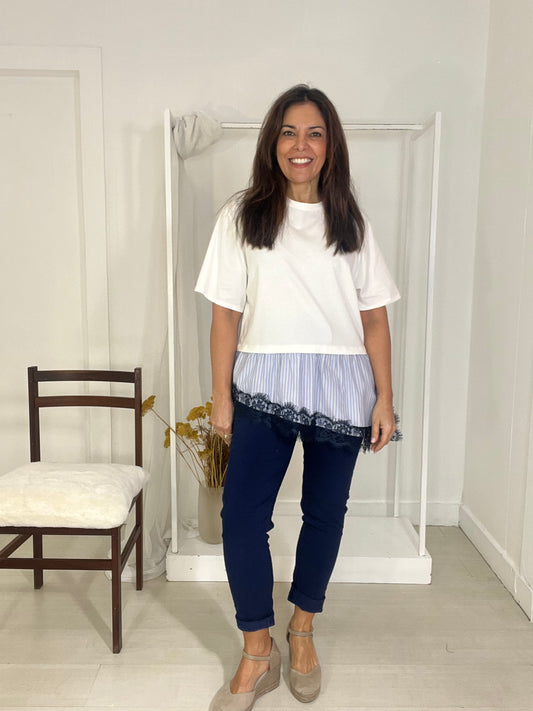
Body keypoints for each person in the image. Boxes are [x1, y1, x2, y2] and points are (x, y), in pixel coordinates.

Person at [195, 84, 400, 711]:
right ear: (272, 142)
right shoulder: (242, 216)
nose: (300, 145)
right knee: (241, 517)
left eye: (314, 133)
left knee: (325, 514)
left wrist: (385, 399)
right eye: (289, 132)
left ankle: (302, 628)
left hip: (341, 387)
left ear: (330, 145)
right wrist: (221, 397)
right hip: (264, 385)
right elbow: (225, 315)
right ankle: (258, 648)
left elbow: (374, 319)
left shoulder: (351, 222)